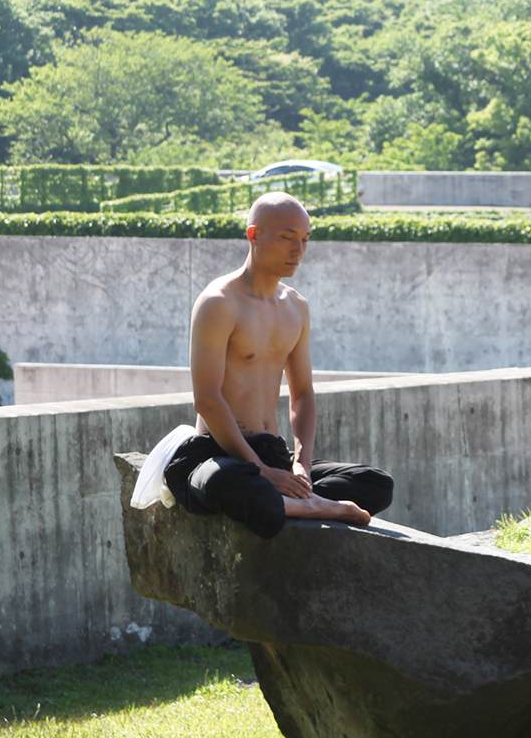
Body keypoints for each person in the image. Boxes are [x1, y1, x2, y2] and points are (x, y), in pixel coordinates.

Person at [161, 192, 393, 538]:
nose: (298, 250)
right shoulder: (219, 302)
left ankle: (291, 499)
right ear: (253, 235)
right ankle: (316, 506)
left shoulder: (296, 306)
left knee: (376, 483)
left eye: (305, 239)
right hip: (220, 451)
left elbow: (303, 395)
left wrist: (302, 463)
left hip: (272, 452)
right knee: (232, 484)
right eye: (287, 237)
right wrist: (261, 471)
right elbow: (206, 399)